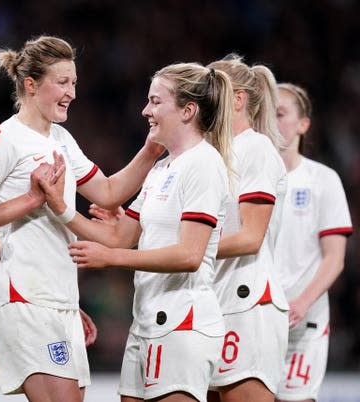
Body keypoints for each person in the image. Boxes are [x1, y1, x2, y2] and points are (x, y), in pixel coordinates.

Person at [0, 35, 164, 402]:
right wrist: (30, 200)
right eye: (63, 82)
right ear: (31, 85)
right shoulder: (4, 140)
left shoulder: (61, 139)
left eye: (75, 83)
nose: (72, 93)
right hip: (25, 297)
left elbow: (109, 192)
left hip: (60, 298)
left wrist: (151, 150)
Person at [40, 63, 234, 402]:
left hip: (182, 323)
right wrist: (61, 209)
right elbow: (119, 237)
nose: (146, 111)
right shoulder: (162, 168)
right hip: (146, 321)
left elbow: (190, 255)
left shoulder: (203, 163)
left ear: (188, 110)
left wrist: (112, 259)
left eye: (156, 102)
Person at [207, 55, 289, 402]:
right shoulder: (211, 155)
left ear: (237, 100)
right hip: (212, 300)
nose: (200, 101)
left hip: (248, 302)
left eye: (210, 92)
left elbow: (251, 237)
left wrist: (189, 248)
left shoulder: (255, 148)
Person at [274, 83, 353, 402]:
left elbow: (335, 258)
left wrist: (302, 302)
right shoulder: (245, 180)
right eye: (266, 114)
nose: (272, 121)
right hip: (253, 316)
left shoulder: (323, 180)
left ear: (303, 124)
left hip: (303, 319)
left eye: (280, 114)